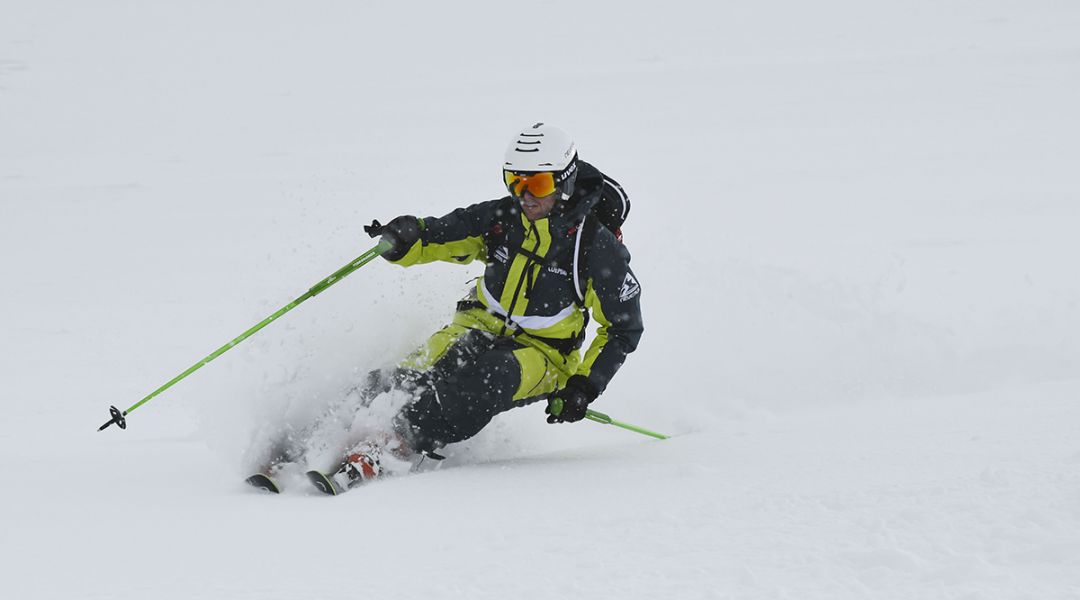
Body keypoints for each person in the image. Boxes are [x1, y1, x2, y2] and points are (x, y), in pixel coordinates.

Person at [337, 123, 644, 487]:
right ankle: (323, 431)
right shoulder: (504, 219)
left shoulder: (594, 245)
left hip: (544, 355)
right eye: (514, 181)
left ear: (565, 182)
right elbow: (446, 233)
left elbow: (623, 327)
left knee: (488, 379)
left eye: (538, 185)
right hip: (477, 327)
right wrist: (408, 237)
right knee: (406, 377)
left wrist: (583, 387)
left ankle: (395, 445)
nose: (524, 196)